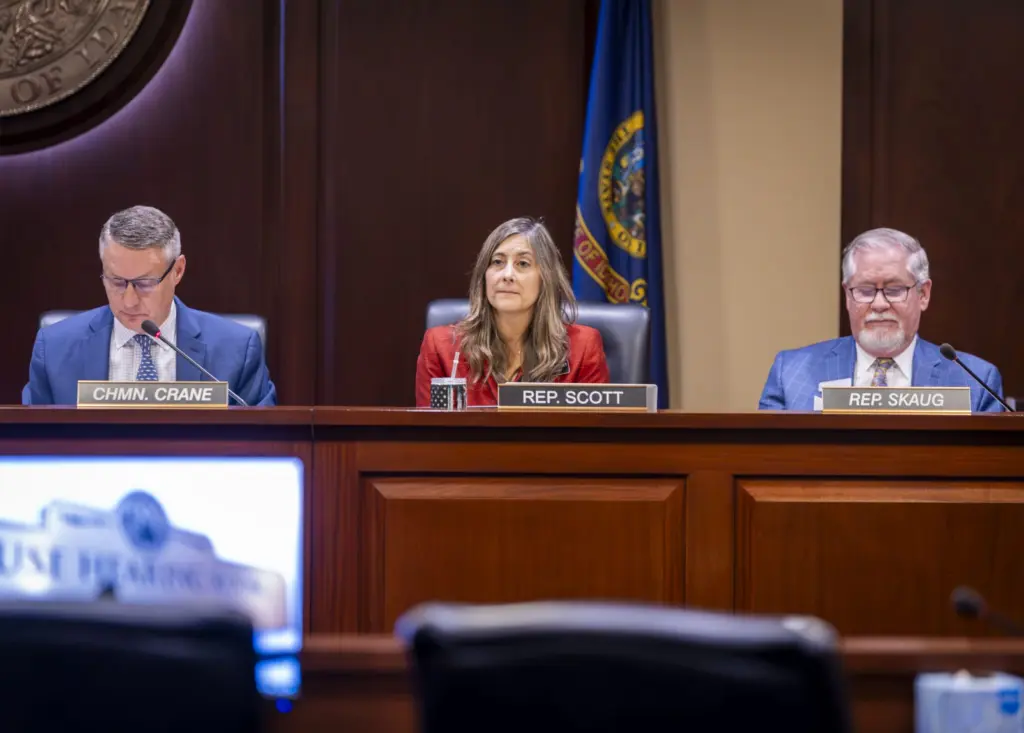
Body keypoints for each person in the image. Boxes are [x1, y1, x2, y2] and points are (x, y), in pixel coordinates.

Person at [24, 205, 276, 406]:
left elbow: (265, 446)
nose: (129, 300)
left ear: (178, 271)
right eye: (117, 282)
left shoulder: (236, 349)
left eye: (144, 283)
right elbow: (30, 448)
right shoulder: (55, 349)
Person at [759, 227, 1003, 412]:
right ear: (847, 296)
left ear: (923, 294)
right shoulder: (791, 374)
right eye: (865, 290)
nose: (879, 304)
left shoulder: (975, 382)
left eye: (895, 290)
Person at [416, 217, 610, 407]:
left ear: (545, 279)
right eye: (498, 262)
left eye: (523, 264)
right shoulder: (441, 347)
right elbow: (431, 435)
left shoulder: (582, 348)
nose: (507, 275)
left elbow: (593, 435)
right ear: (484, 277)